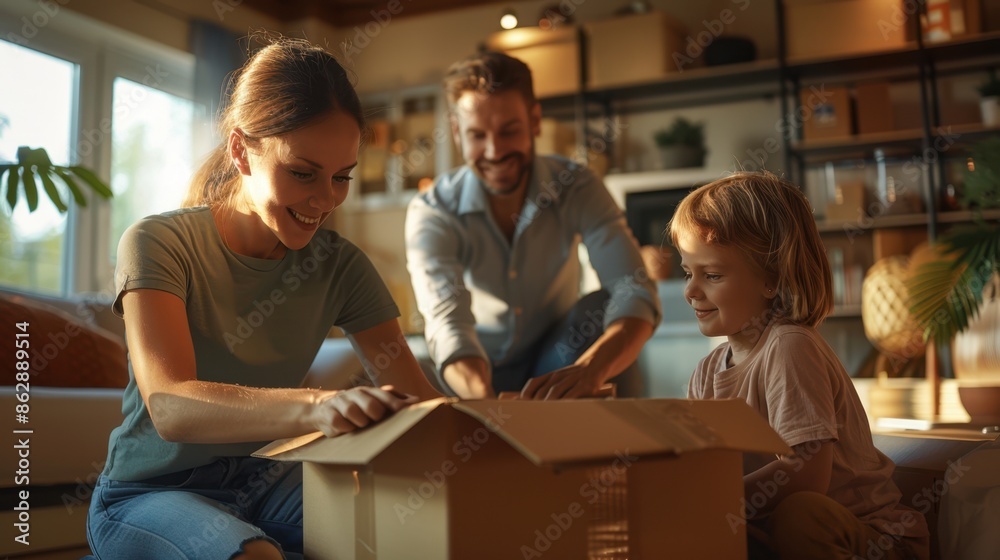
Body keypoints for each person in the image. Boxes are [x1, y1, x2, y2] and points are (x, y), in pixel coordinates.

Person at [86, 37, 441, 560]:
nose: (325, 200)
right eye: (303, 173)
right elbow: (170, 406)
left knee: (404, 527)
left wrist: (495, 426)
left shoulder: (341, 267)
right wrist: (318, 407)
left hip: (266, 485)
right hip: (150, 492)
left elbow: (419, 404)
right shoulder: (156, 243)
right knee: (257, 557)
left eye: (342, 176)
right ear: (240, 150)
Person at [668, 171, 929, 560]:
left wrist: (718, 502)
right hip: (772, 533)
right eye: (689, 272)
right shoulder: (706, 373)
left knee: (799, 513)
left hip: (873, 538)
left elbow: (808, 474)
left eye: (713, 275)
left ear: (771, 278)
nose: (690, 291)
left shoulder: (790, 347)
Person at [405, 51, 661, 400]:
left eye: (509, 131)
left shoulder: (576, 185)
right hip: (475, 369)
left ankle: (626, 444)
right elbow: (448, 326)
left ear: (535, 121)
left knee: (600, 307)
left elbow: (633, 288)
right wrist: (489, 411)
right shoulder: (433, 211)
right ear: (456, 131)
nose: (494, 151)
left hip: (559, 360)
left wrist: (591, 369)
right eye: (477, 135)